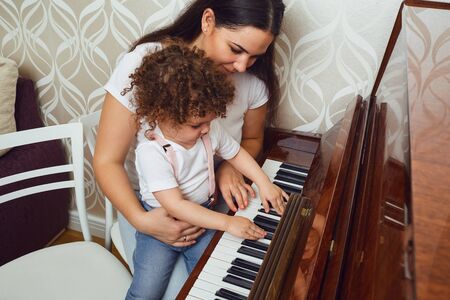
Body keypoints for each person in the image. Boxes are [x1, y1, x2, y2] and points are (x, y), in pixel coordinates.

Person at [94, 0, 285, 298]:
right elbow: (107, 161)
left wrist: (228, 168)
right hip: (149, 210)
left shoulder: (249, 85)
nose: (242, 66)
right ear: (208, 20)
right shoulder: (147, 66)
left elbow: (248, 143)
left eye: (255, 57)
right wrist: (142, 221)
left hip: (210, 203)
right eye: (235, 49)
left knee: (228, 280)